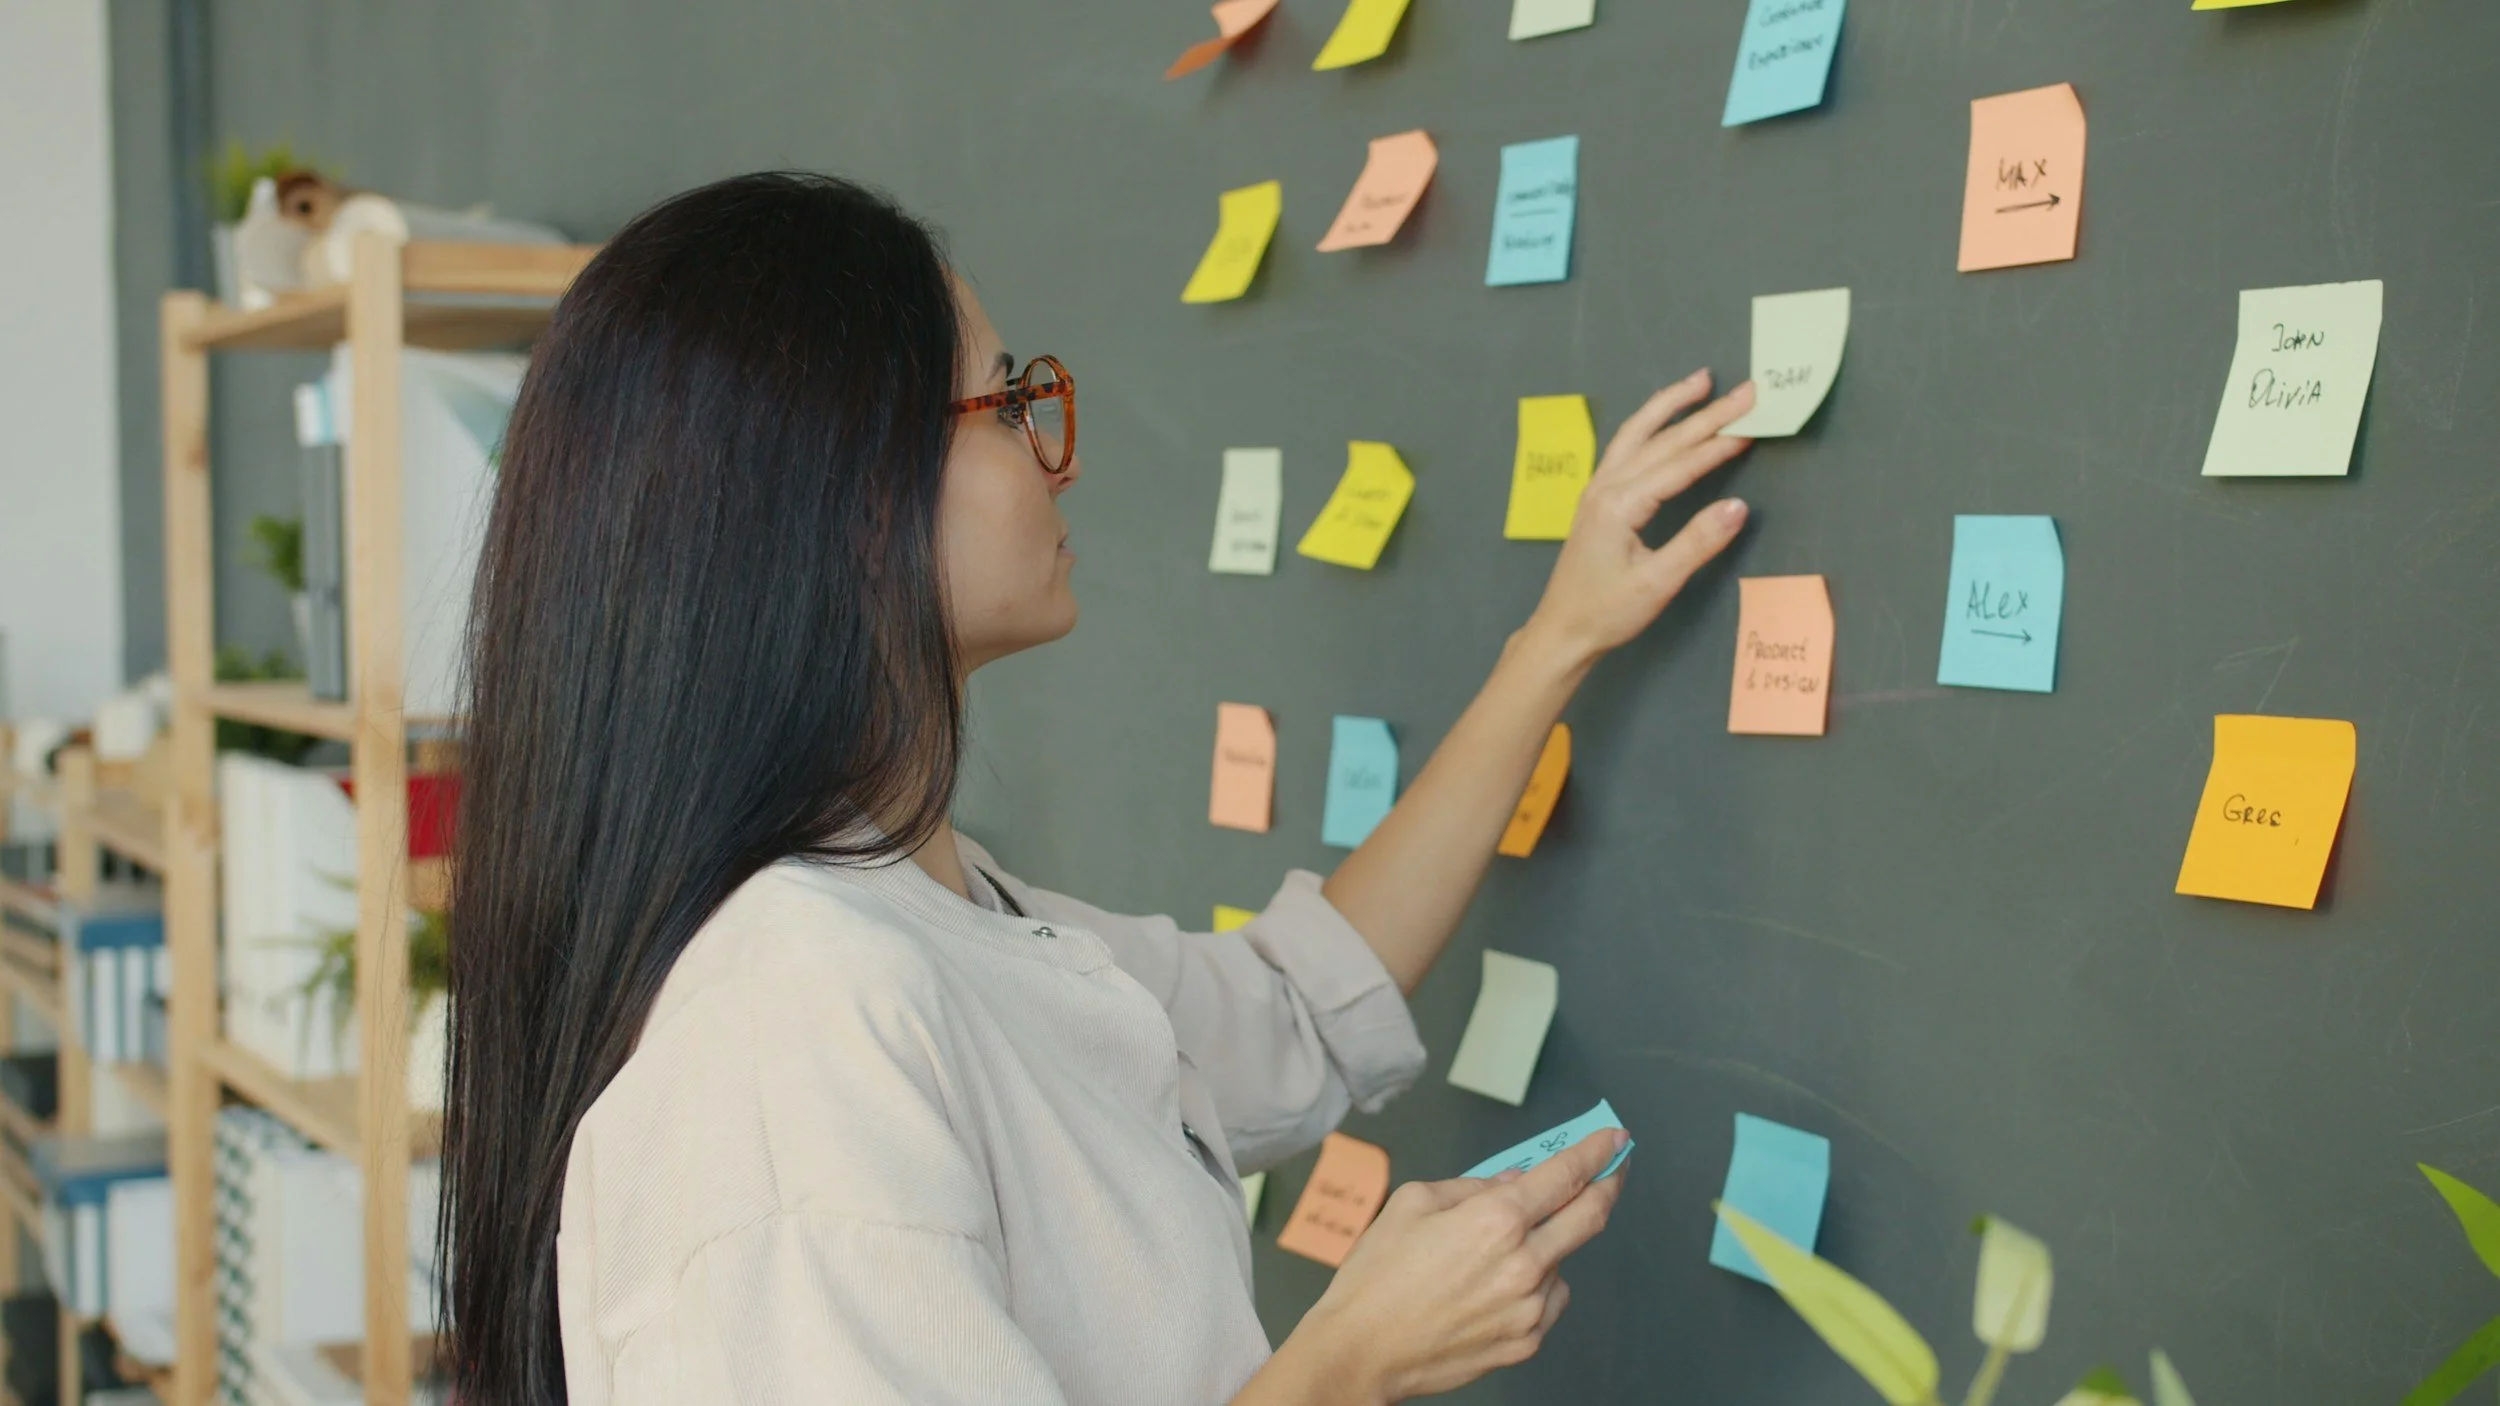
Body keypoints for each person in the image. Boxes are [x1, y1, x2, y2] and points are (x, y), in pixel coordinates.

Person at [442, 171, 1757, 1406]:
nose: (1053, 452)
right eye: (1005, 404)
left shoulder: (926, 907)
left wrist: (1559, 639)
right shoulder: (796, 1031)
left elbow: (1296, 1002)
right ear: (854, 497)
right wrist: (1351, 1359)